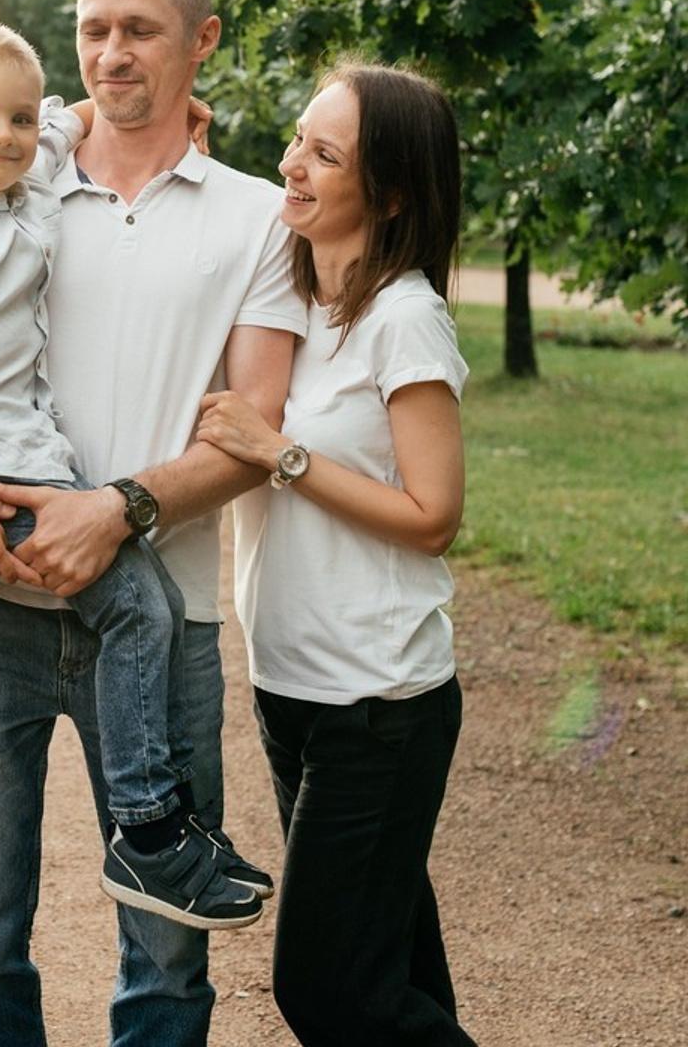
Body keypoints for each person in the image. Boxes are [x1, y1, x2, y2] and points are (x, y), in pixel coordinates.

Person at [0, 0, 307, 1045]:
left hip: (161, 617)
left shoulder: (257, 216)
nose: (109, 54)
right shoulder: (6, 175)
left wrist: (111, 508)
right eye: (90, 30)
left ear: (202, 41)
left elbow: (252, 430)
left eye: (139, 30)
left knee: (168, 962)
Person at [0, 19, 262, 930]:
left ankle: (149, 825)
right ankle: (150, 828)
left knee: (146, 605)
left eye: (10, 116)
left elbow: (59, 123)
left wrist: (155, 102)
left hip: (26, 458)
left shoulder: (20, 182)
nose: (1, 134)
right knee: (139, 605)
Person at [197, 58, 476, 1044]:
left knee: (325, 986)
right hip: (294, 688)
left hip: (377, 702)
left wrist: (280, 454)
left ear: (388, 191)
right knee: (390, 966)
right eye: (295, 139)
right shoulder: (291, 294)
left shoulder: (402, 318)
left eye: (323, 152)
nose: (292, 165)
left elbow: (432, 512)